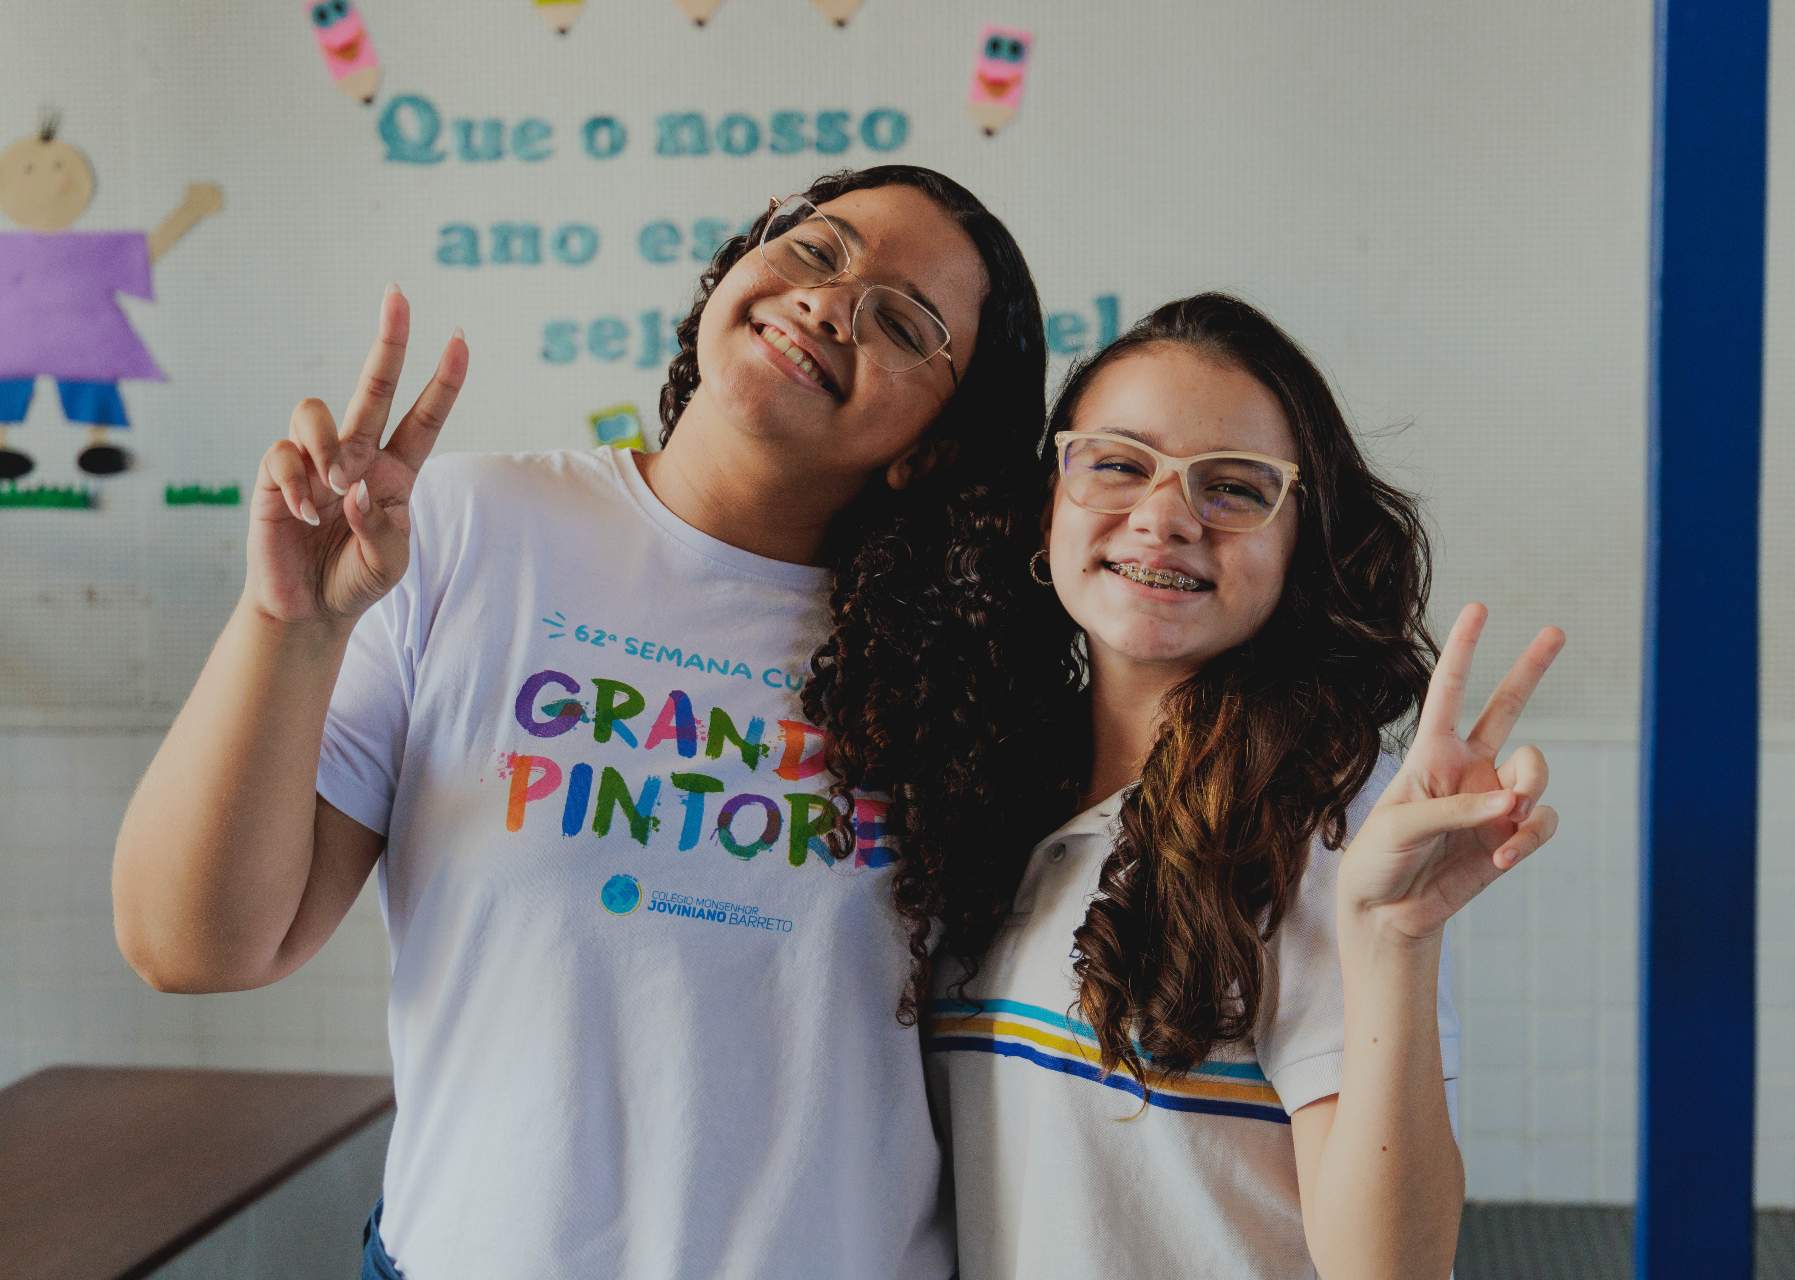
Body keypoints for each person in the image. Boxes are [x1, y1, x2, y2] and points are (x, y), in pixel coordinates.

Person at [111, 164, 1066, 1278]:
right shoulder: (461, 530)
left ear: (935, 441)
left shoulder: (968, 668)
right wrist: (293, 626)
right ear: (745, 259)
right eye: (816, 249)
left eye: (902, 319)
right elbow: (192, 945)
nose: (828, 301)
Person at [925, 293, 1565, 1279]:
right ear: (1047, 498)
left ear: (1300, 544)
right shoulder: (993, 787)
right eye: (1116, 461)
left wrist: (1396, 942)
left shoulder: (1323, 820)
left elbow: (1391, 1269)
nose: (1165, 515)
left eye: (1233, 486)